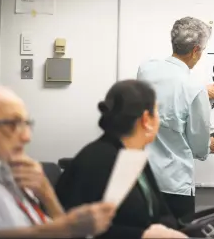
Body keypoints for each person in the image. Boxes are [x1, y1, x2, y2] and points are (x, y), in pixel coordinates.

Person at [55, 80, 188, 239]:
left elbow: (162, 213)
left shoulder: (134, 157)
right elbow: (78, 229)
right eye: (157, 112)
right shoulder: (96, 159)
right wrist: (143, 235)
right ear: (146, 119)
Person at [136, 16, 214, 220]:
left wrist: (198, 93)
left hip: (142, 180)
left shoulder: (146, 69)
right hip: (174, 185)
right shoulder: (193, 88)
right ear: (196, 50)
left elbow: (165, 95)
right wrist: (210, 145)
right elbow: (199, 147)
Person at [0, 85, 116, 238]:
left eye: (27, 124)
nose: (26, 137)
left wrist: (47, 194)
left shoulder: (13, 174)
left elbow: (66, 234)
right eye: (12, 124)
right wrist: (66, 228)